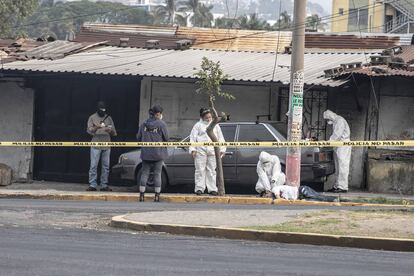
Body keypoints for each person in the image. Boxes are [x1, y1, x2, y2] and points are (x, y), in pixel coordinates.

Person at [189, 108, 226, 196]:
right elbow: (192, 138)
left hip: (212, 150)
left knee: (212, 170)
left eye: (210, 117)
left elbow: (220, 138)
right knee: (199, 170)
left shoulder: (215, 126)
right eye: (207, 117)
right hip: (200, 150)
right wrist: (193, 149)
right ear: (202, 117)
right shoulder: (197, 125)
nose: (209, 119)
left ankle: (212, 189)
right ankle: (199, 188)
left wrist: (222, 150)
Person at [136, 105, 169, 202]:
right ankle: (157, 196)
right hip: (158, 153)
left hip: (146, 153)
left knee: (145, 173)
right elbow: (166, 138)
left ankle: (141, 195)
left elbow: (138, 137)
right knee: (157, 174)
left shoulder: (143, 124)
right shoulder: (161, 124)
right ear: (158, 114)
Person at [86, 101, 117, 192]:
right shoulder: (92, 117)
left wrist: (109, 131)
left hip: (106, 144)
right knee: (93, 165)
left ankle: (104, 185)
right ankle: (92, 184)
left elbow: (114, 133)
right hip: (95, 144)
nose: (103, 112)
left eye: (104, 110)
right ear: (98, 109)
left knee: (106, 166)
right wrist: (97, 127)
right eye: (101, 110)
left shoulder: (109, 118)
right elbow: (89, 131)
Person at [323, 110, 351, 193]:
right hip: (339, 146)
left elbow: (337, 135)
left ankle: (342, 187)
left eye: (327, 119)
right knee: (338, 167)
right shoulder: (336, 121)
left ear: (330, 116)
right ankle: (337, 185)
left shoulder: (340, 120)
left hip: (343, 146)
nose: (327, 121)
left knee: (343, 166)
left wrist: (328, 142)